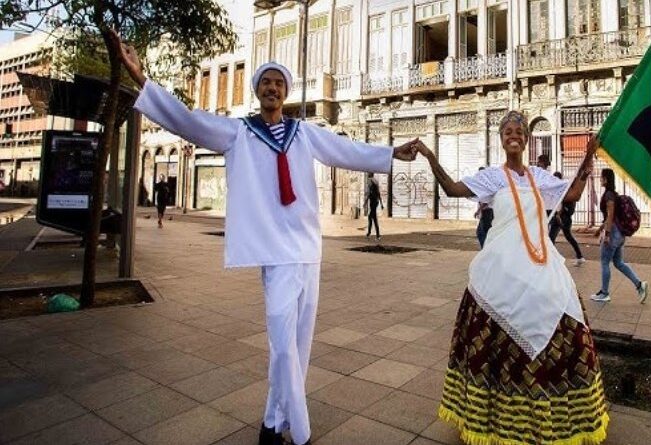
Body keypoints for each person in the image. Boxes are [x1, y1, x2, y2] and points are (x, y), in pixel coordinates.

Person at [114, 32, 419, 445]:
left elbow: (344, 150)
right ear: (257, 91)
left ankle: (272, 423)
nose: (272, 88)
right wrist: (141, 78)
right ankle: (301, 430)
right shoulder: (237, 132)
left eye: (279, 83)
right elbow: (188, 120)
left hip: (307, 249)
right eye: (266, 83)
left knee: (299, 342)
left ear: (286, 91)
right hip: (274, 252)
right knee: (281, 340)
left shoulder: (304, 132)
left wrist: (390, 154)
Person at [414, 111, 608, 445]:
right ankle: (494, 420)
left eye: (519, 131)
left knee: (565, 327)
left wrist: (589, 154)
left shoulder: (539, 177)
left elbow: (571, 196)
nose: (514, 136)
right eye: (508, 132)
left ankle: (554, 417)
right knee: (494, 344)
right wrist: (431, 156)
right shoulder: (491, 178)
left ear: (526, 140)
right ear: (501, 140)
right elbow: (450, 188)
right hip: (501, 271)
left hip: (542, 265)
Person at [590, 168, 648, 304]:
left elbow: (610, 216)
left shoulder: (609, 196)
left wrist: (607, 235)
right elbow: (612, 217)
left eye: (601, 177)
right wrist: (599, 230)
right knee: (618, 263)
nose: (600, 179)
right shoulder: (612, 194)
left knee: (605, 262)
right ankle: (640, 285)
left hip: (614, 234)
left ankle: (604, 293)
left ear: (605, 179)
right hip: (620, 234)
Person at [549, 171, 586, 265]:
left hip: (562, 217)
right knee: (562, 237)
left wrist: (558, 214)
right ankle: (579, 256)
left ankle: (553, 259)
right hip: (563, 217)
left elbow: (562, 205)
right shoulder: (564, 189)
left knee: (553, 238)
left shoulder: (564, 190)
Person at [473, 167, 494, 248]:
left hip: (487, 212)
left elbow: (485, 201)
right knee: (481, 232)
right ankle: (486, 248)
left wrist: (478, 211)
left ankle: (485, 249)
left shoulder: (486, 184)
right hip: (486, 212)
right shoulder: (485, 184)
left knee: (483, 232)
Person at [364, 172, 383, 241]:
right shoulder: (376, 181)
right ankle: (371, 234)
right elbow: (378, 193)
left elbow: (369, 193)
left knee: (372, 218)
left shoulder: (370, 181)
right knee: (372, 218)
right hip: (376, 202)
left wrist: (365, 202)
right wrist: (381, 203)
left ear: (370, 174)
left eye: (368, 173)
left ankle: (374, 235)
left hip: (373, 202)